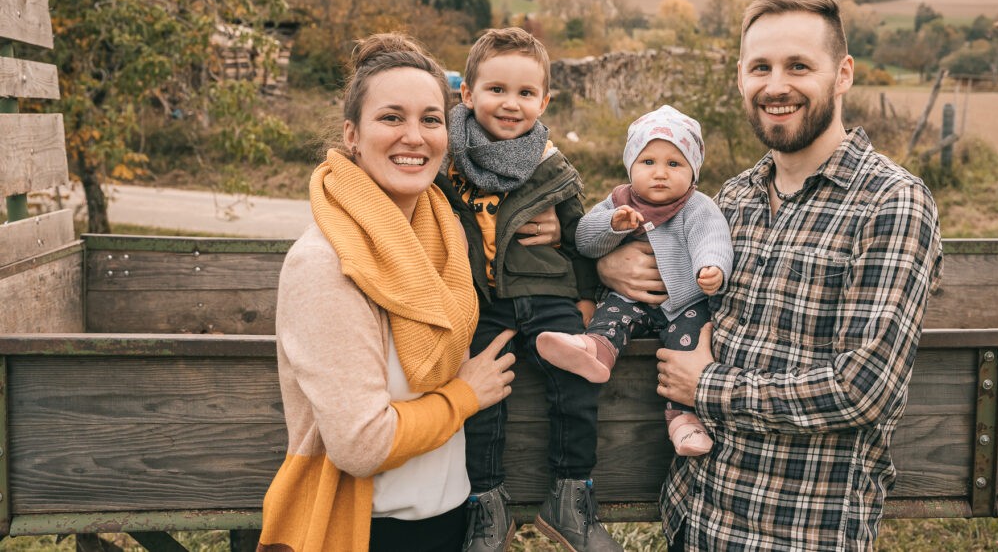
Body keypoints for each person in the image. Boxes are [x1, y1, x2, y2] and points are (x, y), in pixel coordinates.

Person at [598, 0, 943, 551]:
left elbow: (861, 389)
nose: (776, 85)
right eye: (761, 67)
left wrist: (707, 387)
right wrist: (615, 264)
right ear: (741, 77)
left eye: (799, 66)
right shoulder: (731, 200)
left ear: (843, 73)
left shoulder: (891, 202)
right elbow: (665, 278)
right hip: (696, 517)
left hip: (802, 532)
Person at [257, 33, 518, 552]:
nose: (415, 137)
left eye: (431, 119)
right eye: (392, 118)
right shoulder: (325, 264)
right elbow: (361, 444)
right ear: (352, 134)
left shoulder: (444, 239)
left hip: (446, 519)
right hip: (366, 530)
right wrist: (465, 395)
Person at [435, 27, 621, 552]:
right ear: (467, 95)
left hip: (549, 295)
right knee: (481, 394)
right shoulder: (448, 163)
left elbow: (582, 235)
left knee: (576, 387)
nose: (510, 104)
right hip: (485, 301)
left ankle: (570, 496)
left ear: (544, 100)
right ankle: (486, 504)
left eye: (525, 93)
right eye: (495, 90)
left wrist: (585, 301)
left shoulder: (552, 165)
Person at [536, 105, 733, 458]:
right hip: (628, 297)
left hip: (682, 305)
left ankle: (683, 420)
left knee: (686, 348)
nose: (660, 173)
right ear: (631, 166)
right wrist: (612, 225)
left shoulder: (696, 207)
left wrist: (712, 267)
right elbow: (584, 239)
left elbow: (713, 238)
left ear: (693, 172)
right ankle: (596, 350)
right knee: (612, 313)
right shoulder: (618, 202)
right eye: (648, 162)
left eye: (675, 164)